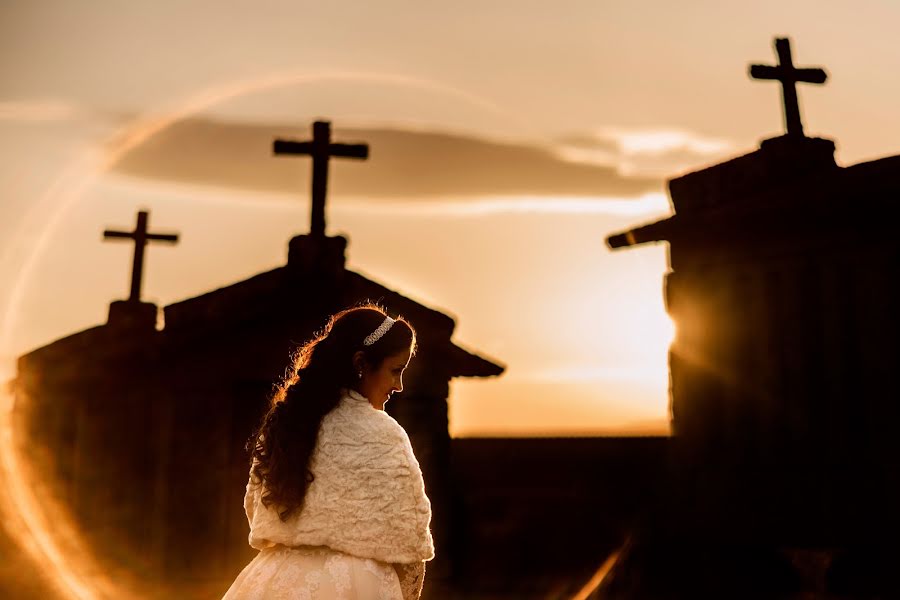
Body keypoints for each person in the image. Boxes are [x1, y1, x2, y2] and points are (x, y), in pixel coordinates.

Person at [222, 304, 434, 600]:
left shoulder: (286, 424)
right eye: (395, 371)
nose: (398, 386)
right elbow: (410, 540)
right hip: (357, 585)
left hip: (274, 580)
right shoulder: (385, 435)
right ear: (361, 364)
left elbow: (255, 509)